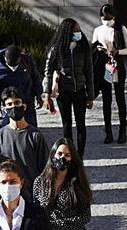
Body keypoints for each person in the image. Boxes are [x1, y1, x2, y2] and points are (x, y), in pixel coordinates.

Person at [44, 19, 95, 156]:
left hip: (79, 90)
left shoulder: (84, 47)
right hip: (63, 91)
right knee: (67, 124)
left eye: (79, 29)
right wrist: (47, 94)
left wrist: (90, 96)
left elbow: (89, 72)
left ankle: (80, 156)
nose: (79, 32)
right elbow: (48, 71)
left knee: (81, 124)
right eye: (75, 30)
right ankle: (69, 155)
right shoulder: (57, 49)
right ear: (68, 32)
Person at [0, 88, 50, 196]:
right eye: (9, 104)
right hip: (7, 196)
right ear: (4, 109)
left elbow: (45, 169)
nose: (13, 107)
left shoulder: (35, 136)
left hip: (31, 197)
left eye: (17, 102)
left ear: (24, 106)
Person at [92, 3, 127, 144]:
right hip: (105, 67)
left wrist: (117, 51)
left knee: (120, 98)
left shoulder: (121, 29)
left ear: (114, 16)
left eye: (108, 18)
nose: (106, 20)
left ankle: (122, 131)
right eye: (103, 18)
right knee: (106, 100)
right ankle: (108, 132)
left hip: (117, 66)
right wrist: (99, 49)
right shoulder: (98, 30)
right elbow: (93, 46)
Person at [0, 44, 43, 128]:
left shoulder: (27, 61)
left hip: (27, 102)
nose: (14, 68)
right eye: (11, 65)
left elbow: (36, 78)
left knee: (30, 129)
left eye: (16, 64)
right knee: (7, 130)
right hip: (9, 105)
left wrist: (38, 95)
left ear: (20, 58)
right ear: (5, 59)